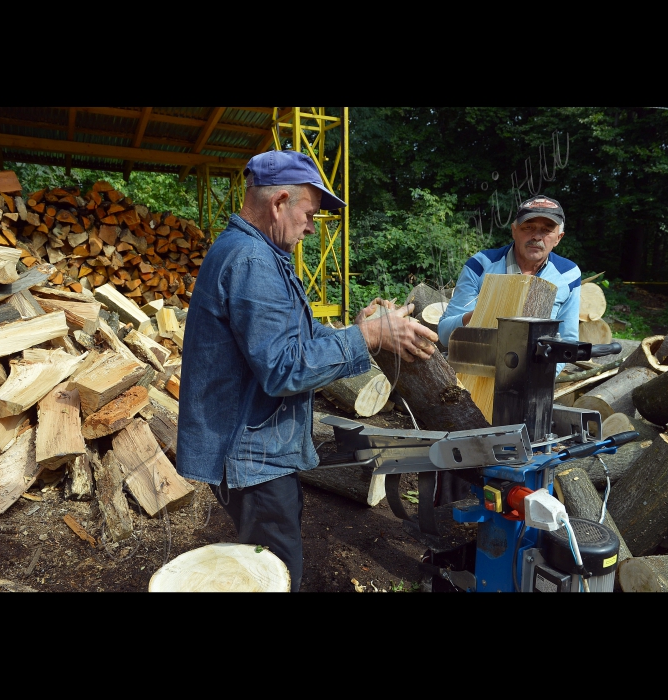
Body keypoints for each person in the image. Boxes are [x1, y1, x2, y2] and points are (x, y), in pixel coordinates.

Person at [176, 149, 439, 592]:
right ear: (279, 202)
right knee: (275, 575)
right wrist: (369, 339)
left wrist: (355, 329)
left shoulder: (254, 251)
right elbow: (283, 369)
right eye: (309, 213)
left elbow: (290, 335)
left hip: (255, 448)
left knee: (270, 562)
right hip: (252, 455)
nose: (312, 226)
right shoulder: (252, 261)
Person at [438, 195, 581, 377]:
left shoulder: (568, 274)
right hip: (473, 375)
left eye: (546, 230)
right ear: (514, 230)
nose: (536, 236)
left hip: (532, 380)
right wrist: (483, 313)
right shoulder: (481, 265)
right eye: (528, 227)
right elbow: (444, 335)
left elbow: (567, 341)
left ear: (558, 238)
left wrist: (541, 380)